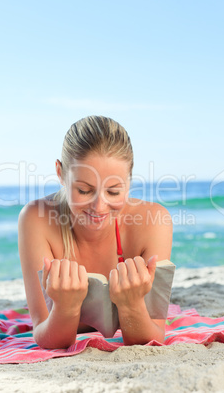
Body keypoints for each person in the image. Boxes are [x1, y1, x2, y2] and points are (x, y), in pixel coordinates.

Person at [18, 115, 173, 349]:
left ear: (129, 182)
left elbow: (150, 338)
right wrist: (66, 308)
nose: (99, 207)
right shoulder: (35, 219)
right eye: (84, 190)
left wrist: (131, 306)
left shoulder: (154, 222)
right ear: (60, 173)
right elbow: (46, 337)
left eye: (113, 192)